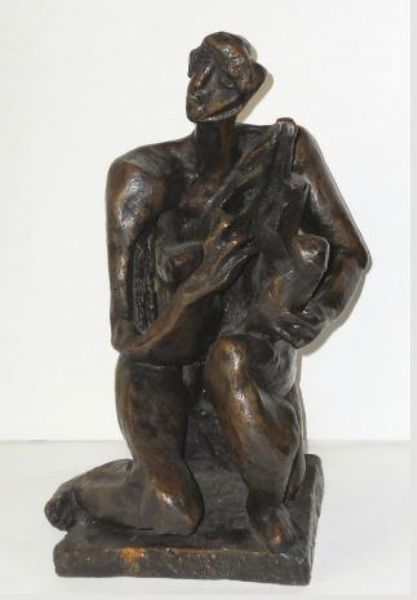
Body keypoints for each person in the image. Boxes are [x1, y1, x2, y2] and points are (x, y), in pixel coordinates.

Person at [45, 32, 369, 553]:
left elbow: (350, 254)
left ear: (246, 91)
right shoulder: (141, 177)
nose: (200, 85)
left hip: (244, 352)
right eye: (197, 67)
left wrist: (320, 311)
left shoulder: (284, 153)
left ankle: (263, 502)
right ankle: (90, 492)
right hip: (162, 363)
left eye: (221, 75)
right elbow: (129, 340)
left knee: (231, 360)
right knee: (173, 510)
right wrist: (196, 289)